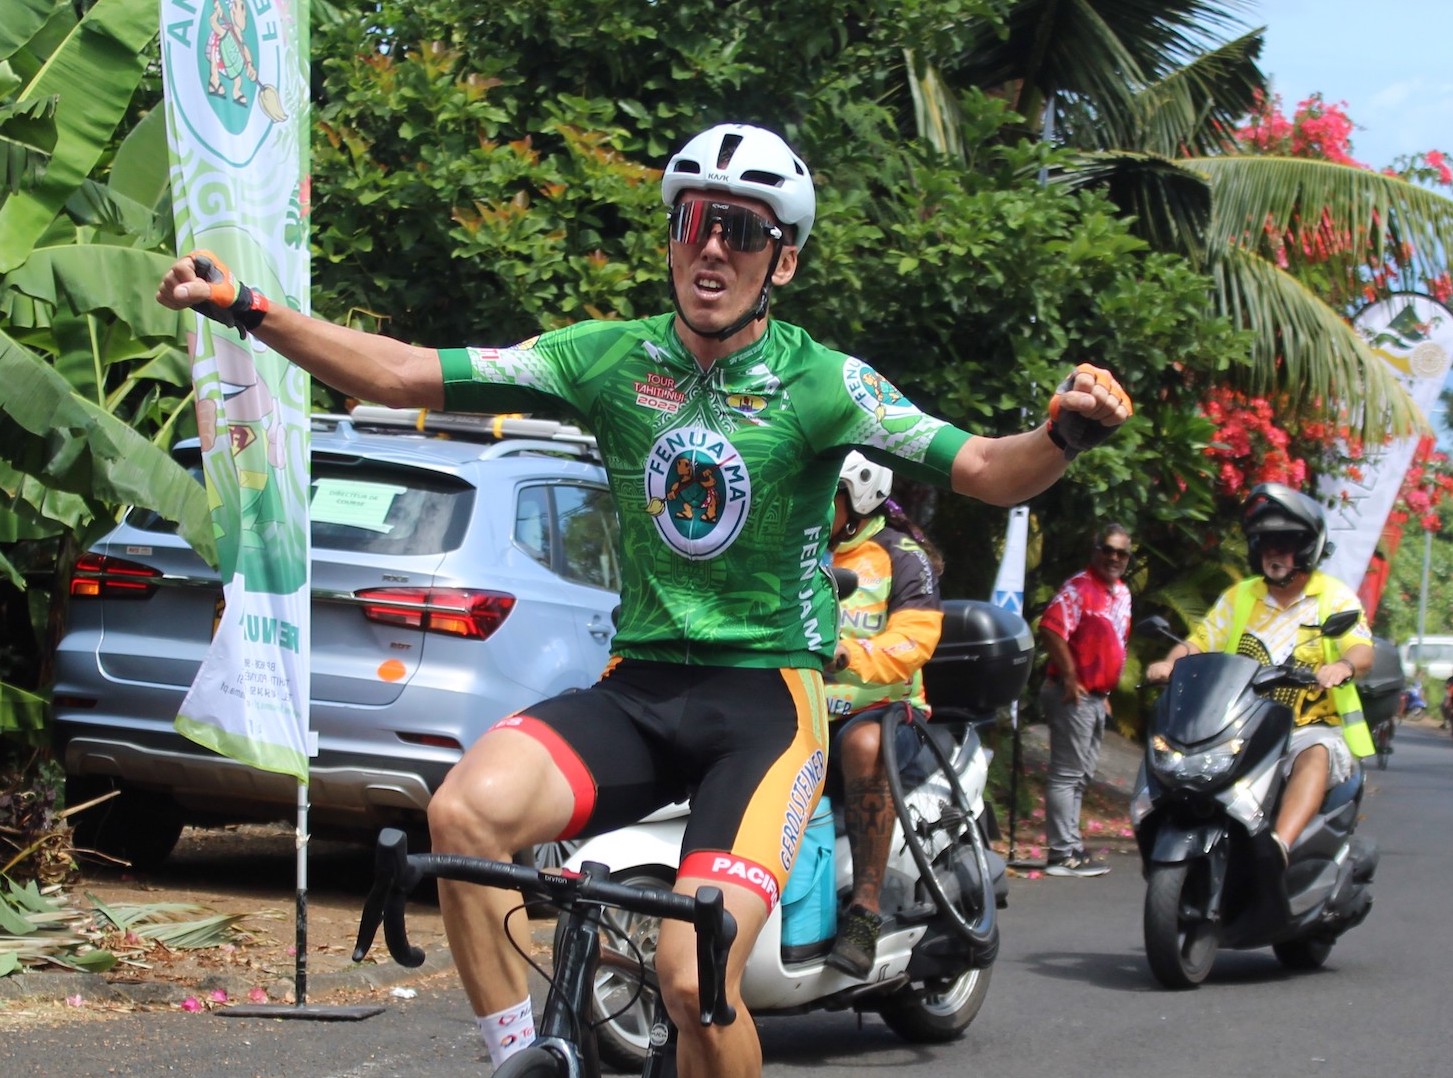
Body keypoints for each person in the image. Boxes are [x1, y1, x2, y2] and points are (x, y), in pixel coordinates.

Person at [156, 122, 1132, 1077]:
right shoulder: (609, 357)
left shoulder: (825, 383)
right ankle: (522, 1059)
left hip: (764, 705)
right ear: (671, 233)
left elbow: (986, 467)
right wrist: (250, 306)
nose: (713, 244)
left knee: (690, 974)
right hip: (639, 689)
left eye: (744, 229)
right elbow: (404, 371)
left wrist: (1062, 434)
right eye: (695, 219)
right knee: (464, 814)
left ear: (780, 262)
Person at [1145, 483, 1376, 863]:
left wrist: (1343, 665)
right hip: (1241, 724)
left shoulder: (1334, 597)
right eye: (1266, 542)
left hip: (1306, 726)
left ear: (1306, 547)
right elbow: (1200, 640)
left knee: (1316, 751)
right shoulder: (1240, 596)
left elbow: (1361, 648)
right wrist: (1171, 663)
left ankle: (1278, 849)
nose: (1274, 551)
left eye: (1284, 542)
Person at [822, 452, 944, 977]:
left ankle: (865, 911)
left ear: (858, 495)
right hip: (801, 717)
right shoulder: (791, 552)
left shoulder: (901, 555)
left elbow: (917, 637)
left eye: (824, 492)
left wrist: (852, 652)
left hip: (887, 715)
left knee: (862, 745)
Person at [1036, 523, 1133, 877]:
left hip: (1095, 696)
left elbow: (1115, 645)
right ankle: (1062, 853)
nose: (1113, 557)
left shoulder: (1122, 594)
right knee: (1067, 773)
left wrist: (1104, 693)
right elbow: (1050, 628)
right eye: (1108, 549)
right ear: (1096, 550)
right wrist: (1072, 677)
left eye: (1121, 553)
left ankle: (1072, 847)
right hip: (1071, 692)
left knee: (1081, 775)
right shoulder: (1079, 588)